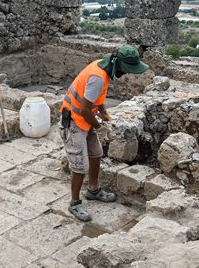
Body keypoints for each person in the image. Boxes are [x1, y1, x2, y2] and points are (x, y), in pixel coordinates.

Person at [61, 44, 149, 222]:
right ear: (119, 65)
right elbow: (85, 108)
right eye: (126, 70)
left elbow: (94, 99)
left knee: (96, 154)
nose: (126, 74)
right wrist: (99, 127)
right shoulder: (98, 77)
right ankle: (75, 203)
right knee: (79, 166)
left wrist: (102, 112)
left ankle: (93, 190)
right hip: (74, 122)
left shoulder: (103, 67)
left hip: (85, 120)